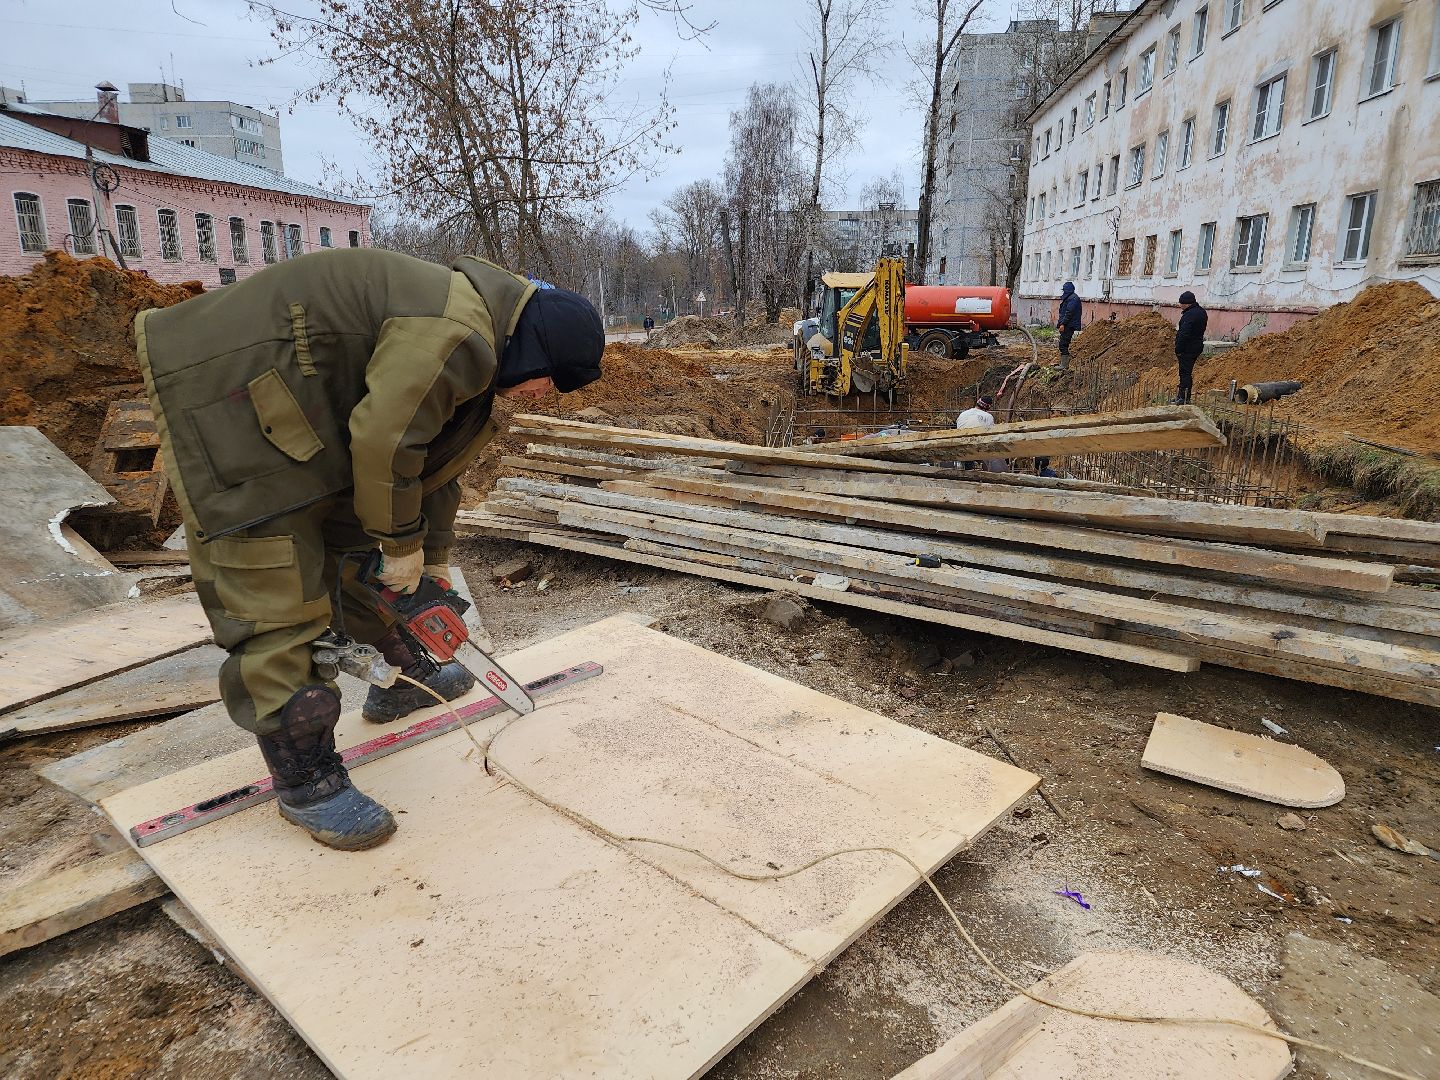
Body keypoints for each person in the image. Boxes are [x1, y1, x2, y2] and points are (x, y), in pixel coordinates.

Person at [135, 248, 604, 852]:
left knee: (362, 548)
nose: (544, 394)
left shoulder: (478, 342)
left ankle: (402, 669)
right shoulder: (456, 334)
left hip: (304, 402)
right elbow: (388, 440)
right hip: (228, 393)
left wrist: (425, 556)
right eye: (551, 380)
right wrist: (401, 540)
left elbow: (428, 461)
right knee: (274, 579)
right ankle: (305, 778)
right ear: (539, 350)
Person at [1173, 290, 1208, 404]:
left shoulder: (1190, 315)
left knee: (1185, 373)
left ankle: (1183, 398)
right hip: (1196, 346)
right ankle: (1181, 396)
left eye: (1181, 304)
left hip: (1188, 348)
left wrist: (1178, 348)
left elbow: (1184, 333)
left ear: (1187, 304)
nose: (1180, 306)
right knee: (1185, 372)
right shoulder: (1201, 312)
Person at [1056, 281, 1081, 369]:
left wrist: (1063, 324)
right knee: (1063, 343)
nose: (1063, 292)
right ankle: (1063, 363)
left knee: (1063, 344)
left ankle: (1064, 365)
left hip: (1069, 325)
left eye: (1064, 290)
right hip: (1068, 324)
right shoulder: (1070, 298)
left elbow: (1069, 313)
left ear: (1067, 290)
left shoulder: (1073, 299)